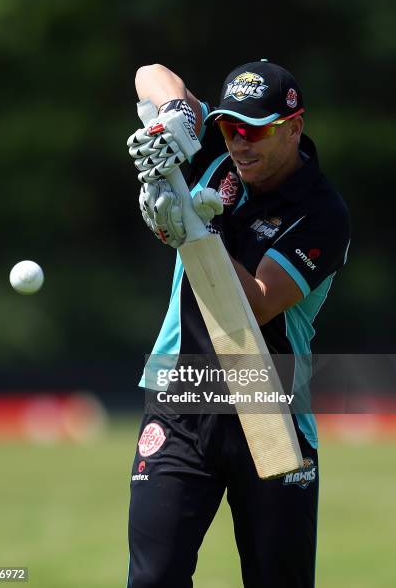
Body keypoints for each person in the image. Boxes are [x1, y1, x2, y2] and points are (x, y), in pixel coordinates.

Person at [126, 59, 350, 588]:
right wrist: (177, 117)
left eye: (253, 131)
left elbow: (259, 303)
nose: (237, 143)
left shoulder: (323, 212)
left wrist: (194, 230)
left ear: (294, 128)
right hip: (182, 398)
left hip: (270, 408)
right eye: (228, 128)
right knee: (152, 579)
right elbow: (149, 73)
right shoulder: (214, 155)